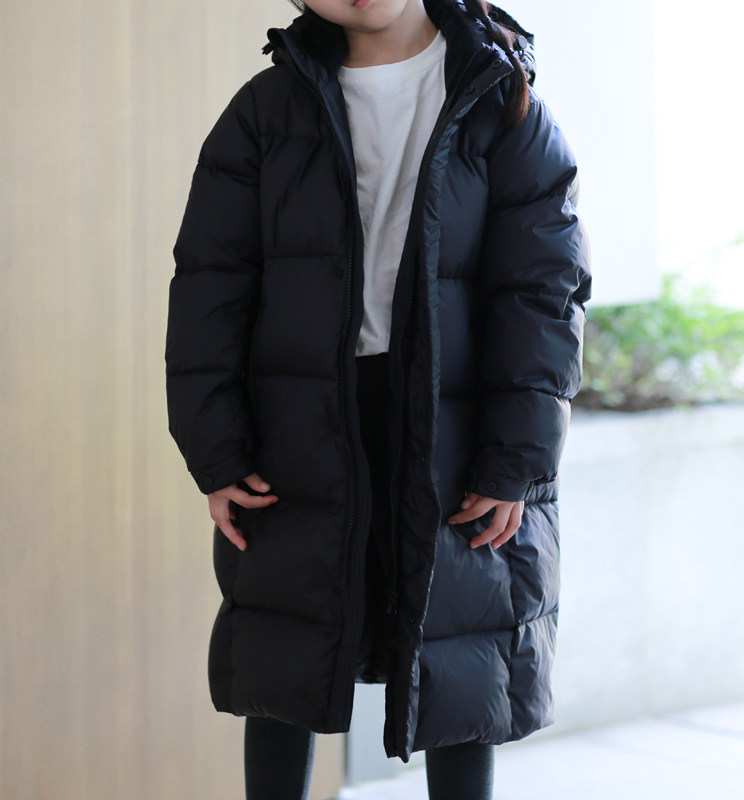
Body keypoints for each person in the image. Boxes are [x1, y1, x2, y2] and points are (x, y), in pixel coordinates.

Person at [165, 0, 591, 797]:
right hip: (301, 413)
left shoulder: (503, 98)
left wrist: (517, 460)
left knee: (461, 650)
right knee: (287, 645)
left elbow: (545, 294)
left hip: (456, 415)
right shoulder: (265, 110)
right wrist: (216, 450)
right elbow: (208, 288)